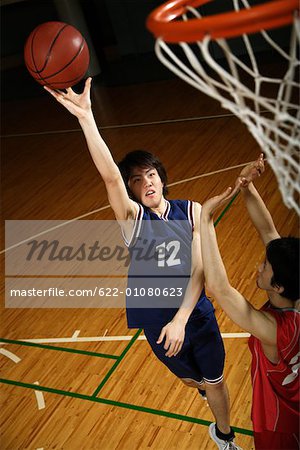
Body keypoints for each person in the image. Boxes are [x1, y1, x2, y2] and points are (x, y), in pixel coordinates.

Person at [45, 78, 241, 450]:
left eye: (151, 174)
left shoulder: (193, 211)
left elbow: (200, 270)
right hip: (154, 319)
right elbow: (108, 176)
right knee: (189, 380)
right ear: (131, 190)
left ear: (162, 179)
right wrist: (87, 117)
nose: (145, 181)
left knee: (215, 380)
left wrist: (182, 320)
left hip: (195, 315)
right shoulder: (133, 221)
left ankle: (225, 435)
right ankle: (199, 386)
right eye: (136, 179)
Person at [200, 154, 299, 450]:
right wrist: (247, 187)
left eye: (265, 267)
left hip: (281, 425)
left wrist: (204, 222)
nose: (258, 267)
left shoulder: (274, 330)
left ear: (277, 285)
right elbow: (269, 233)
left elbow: (219, 287)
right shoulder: (295, 287)